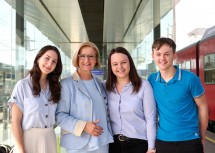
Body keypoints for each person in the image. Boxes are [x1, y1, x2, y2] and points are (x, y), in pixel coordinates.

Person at [148, 37, 209, 153]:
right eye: (158, 54)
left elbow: (203, 106)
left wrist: (202, 137)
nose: (162, 58)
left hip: (190, 141)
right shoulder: (151, 80)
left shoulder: (191, 79)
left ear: (174, 56)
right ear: (153, 56)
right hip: (163, 141)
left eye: (167, 54)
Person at [55, 42, 113, 153]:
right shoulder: (66, 84)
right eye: (82, 56)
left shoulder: (99, 83)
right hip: (78, 145)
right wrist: (83, 126)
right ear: (77, 58)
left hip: (101, 142)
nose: (87, 60)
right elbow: (59, 115)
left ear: (96, 59)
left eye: (91, 56)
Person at [8, 45, 63, 153]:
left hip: (49, 139)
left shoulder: (56, 87)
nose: (49, 64)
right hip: (28, 140)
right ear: (38, 58)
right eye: (47, 58)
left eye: (54, 61)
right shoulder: (23, 85)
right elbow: (15, 122)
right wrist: (20, 149)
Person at [105, 47, 157, 153]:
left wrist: (151, 148)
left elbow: (151, 119)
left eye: (123, 62)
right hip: (112, 145)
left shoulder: (144, 86)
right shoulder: (105, 87)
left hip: (138, 145)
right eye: (115, 64)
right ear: (111, 67)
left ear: (130, 63)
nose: (120, 67)